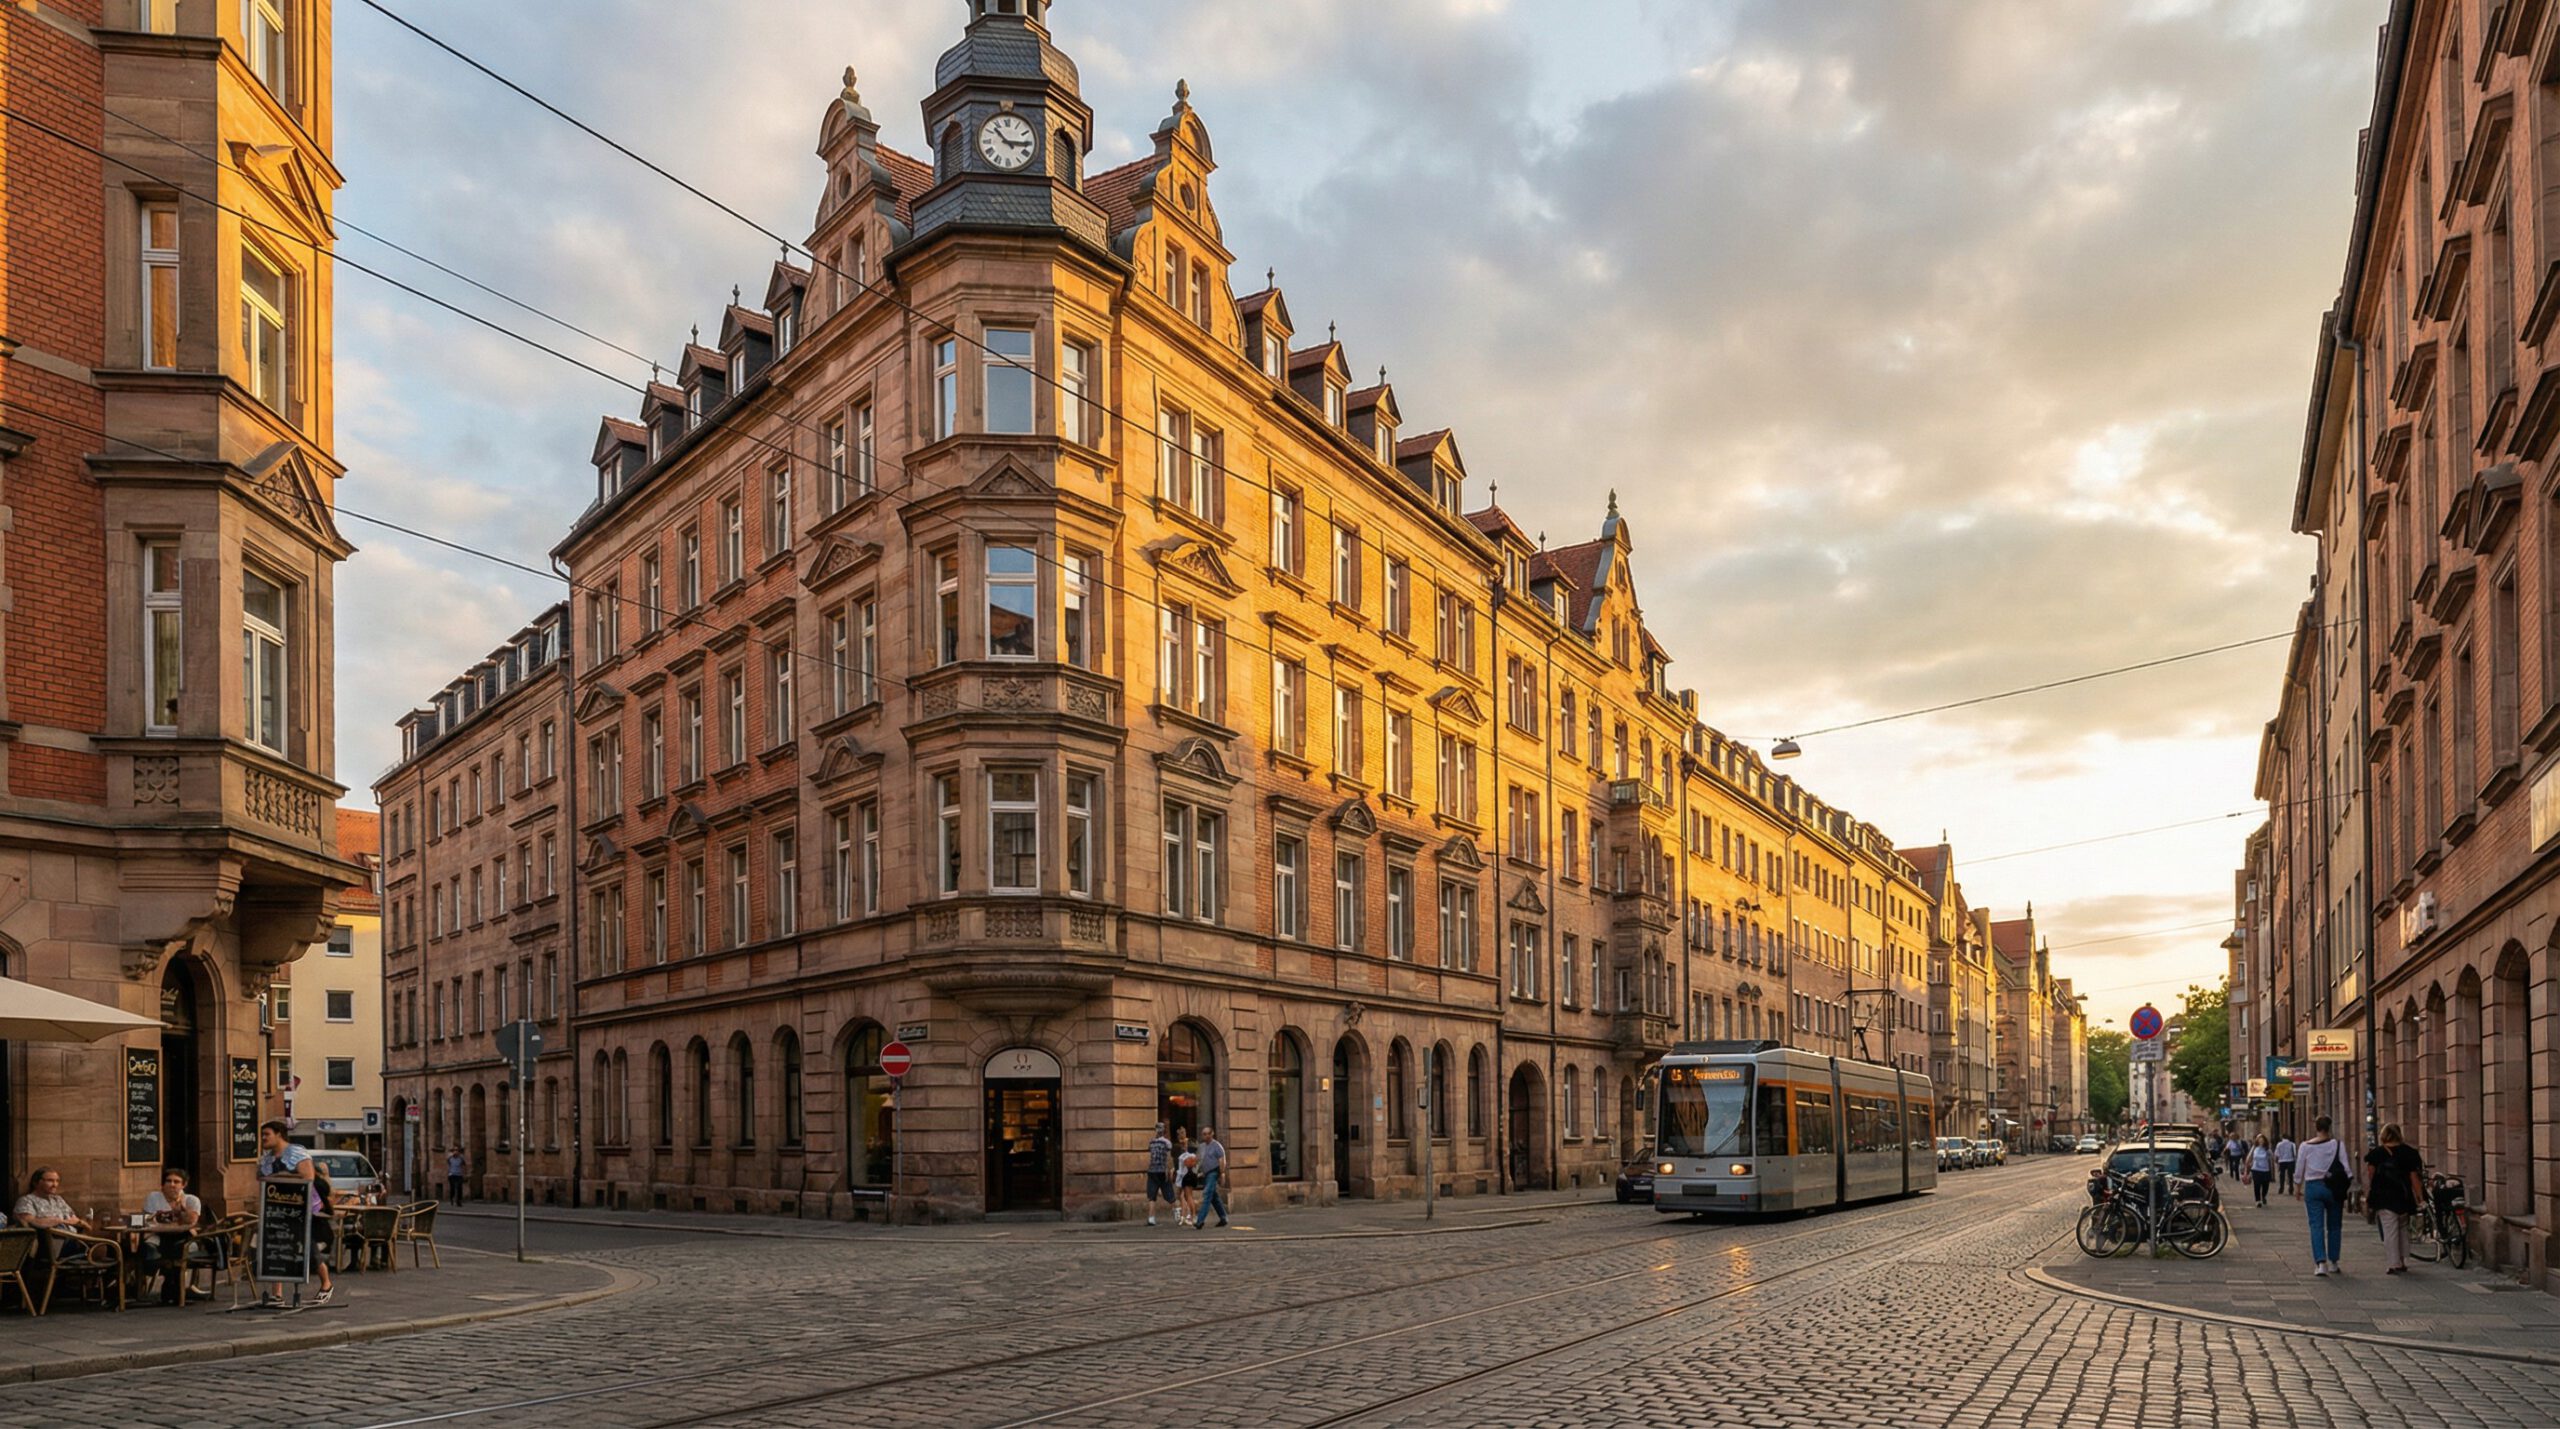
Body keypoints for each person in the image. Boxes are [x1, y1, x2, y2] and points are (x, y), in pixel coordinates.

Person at [257, 1121, 335, 1306]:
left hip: (303, 1208)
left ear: (279, 1134)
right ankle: (277, 1293)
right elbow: (260, 1178)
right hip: (276, 1210)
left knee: (308, 1247)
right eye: (262, 1135)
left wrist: (276, 1177)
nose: (263, 1138)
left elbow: (307, 1177)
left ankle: (326, 1284)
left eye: (266, 1134)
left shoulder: (297, 1152)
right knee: (276, 1249)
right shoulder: (267, 1159)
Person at [2365, 1123, 2426, 1275]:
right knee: (2403, 1228)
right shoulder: (2409, 1153)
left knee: (2389, 1229)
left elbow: (2370, 1175)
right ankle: (2403, 1260)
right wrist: (2420, 1197)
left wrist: (2369, 1193)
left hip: (2384, 1195)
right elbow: (2414, 1178)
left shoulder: (2376, 1154)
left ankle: (2394, 1263)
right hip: (2403, 1195)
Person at [2295, 1116, 2351, 1276]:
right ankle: (2334, 1262)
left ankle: (2320, 1263)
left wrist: (2297, 1187)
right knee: (2334, 1226)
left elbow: (2299, 1168)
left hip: (2313, 1187)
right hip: (2333, 1188)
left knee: (2316, 1226)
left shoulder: (2305, 1146)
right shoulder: (2338, 1145)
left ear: (2316, 1128)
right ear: (2329, 1127)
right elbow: (2346, 1168)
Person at [138, 1167, 202, 1305]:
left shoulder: (191, 1200)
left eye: (176, 1182)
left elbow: (191, 1221)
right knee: (150, 1247)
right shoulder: (154, 1198)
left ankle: (173, 1287)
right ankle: (172, 1286)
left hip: (184, 1237)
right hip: (160, 1236)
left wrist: (181, 1211)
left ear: (183, 1185)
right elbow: (147, 1220)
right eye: (168, 1181)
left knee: (178, 1249)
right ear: (162, 1184)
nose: (172, 1185)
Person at [1193, 1124, 1231, 1230]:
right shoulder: (1202, 1146)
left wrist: (1222, 1173)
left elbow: (1221, 1160)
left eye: (1206, 1134)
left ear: (1211, 1134)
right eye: (1203, 1134)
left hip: (1213, 1173)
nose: (1204, 1136)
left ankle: (1200, 1221)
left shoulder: (1217, 1146)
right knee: (1214, 1197)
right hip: (1206, 1174)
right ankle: (1223, 1218)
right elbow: (1198, 1160)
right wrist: (1197, 1172)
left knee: (1207, 1194)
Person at [1144, 1122, 1174, 1227]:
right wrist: (1170, 1170)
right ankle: (1179, 1215)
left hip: (1152, 1171)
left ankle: (1151, 1218)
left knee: (1152, 1196)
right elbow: (1169, 1158)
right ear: (1164, 1131)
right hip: (1162, 1171)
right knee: (1170, 1195)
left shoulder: (1151, 1143)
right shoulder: (1167, 1143)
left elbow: (1150, 1156)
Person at [1174, 1129, 1200, 1228]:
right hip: (1190, 1176)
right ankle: (1186, 1216)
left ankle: (1191, 1216)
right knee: (1186, 1197)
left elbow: (1182, 1170)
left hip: (1185, 1177)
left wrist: (1178, 1183)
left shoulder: (1184, 1157)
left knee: (1186, 1197)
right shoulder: (1193, 1156)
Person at [2250, 1134, 2274, 1208]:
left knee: (2265, 1186)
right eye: (2259, 1140)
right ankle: (2257, 1200)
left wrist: (2272, 1170)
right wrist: (2247, 1166)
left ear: (2264, 1141)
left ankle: (2263, 1196)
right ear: (2257, 1141)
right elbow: (2249, 1156)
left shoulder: (2267, 1150)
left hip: (2265, 1170)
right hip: (2256, 1169)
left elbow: (2272, 1158)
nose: (2261, 1142)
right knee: (2256, 1185)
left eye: (2262, 1140)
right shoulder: (2254, 1148)